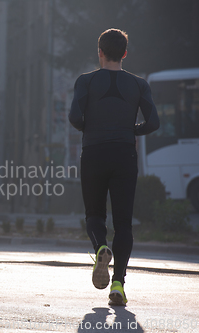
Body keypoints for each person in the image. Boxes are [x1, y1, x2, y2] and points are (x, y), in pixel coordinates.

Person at [69, 28, 159, 306]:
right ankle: (118, 283)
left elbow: (74, 116)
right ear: (124, 54)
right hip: (124, 155)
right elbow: (154, 123)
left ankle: (101, 249)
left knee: (94, 215)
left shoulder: (85, 81)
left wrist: (92, 129)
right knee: (123, 223)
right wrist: (129, 130)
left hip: (94, 153)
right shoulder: (139, 85)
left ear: (100, 52)